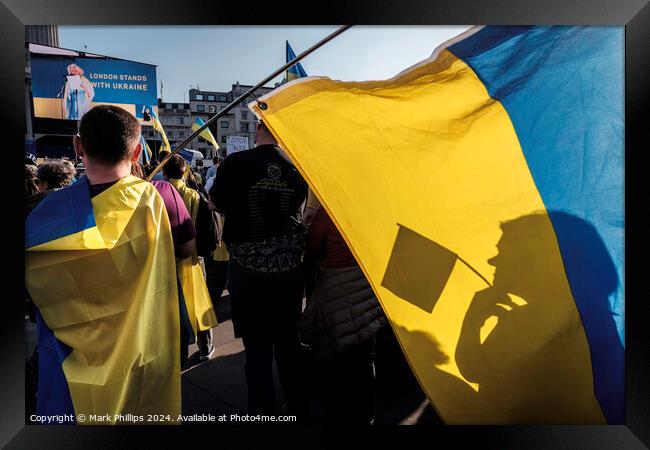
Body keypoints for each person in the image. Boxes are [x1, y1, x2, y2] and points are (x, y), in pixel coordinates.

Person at [25, 105, 181, 424]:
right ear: (137, 151)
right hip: (139, 360)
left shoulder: (43, 215)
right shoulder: (151, 201)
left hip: (67, 369)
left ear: (78, 146)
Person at [209, 119, 308, 416]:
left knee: (257, 350)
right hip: (289, 271)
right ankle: (297, 406)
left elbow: (215, 202)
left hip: (248, 273)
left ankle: (262, 412)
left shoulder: (236, 162)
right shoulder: (299, 168)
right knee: (289, 345)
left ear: (259, 129)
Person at [299, 205, 387, 424]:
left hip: (337, 287)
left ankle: (339, 407)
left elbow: (312, 248)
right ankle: (366, 411)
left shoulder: (329, 210)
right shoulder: (374, 210)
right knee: (364, 351)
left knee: (336, 350)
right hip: (366, 284)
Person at [164, 155, 218, 364]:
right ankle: (205, 347)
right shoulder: (195, 197)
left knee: (170, 310)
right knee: (199, 304)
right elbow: (209, 231)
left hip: (164, 262)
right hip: (193, 260)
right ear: (185, 171)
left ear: (165, 172)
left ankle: (176, 355)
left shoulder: (153, 194)